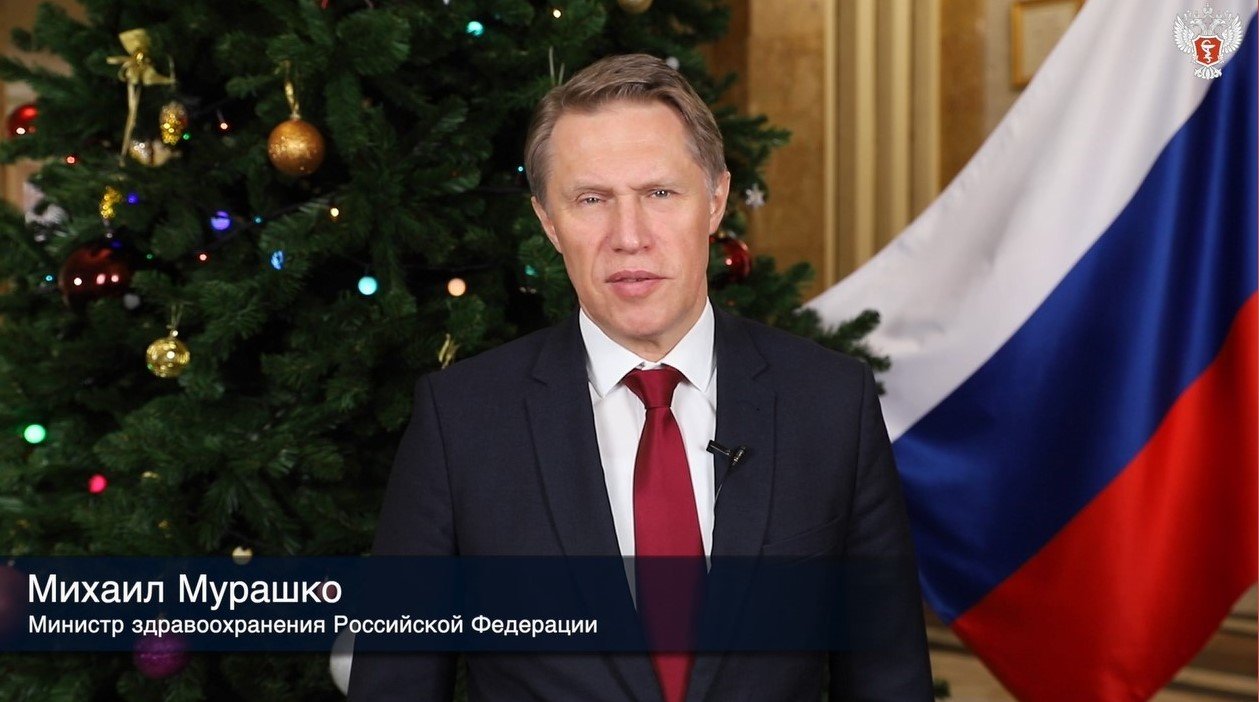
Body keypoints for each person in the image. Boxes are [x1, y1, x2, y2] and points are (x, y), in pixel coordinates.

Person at [348, 53, 931, 701]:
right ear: (548, 222)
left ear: (715, 201)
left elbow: (888, 679)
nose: (628, 236)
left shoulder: (830, 402)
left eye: (659, 193)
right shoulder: (459, 421)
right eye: (591, 200)